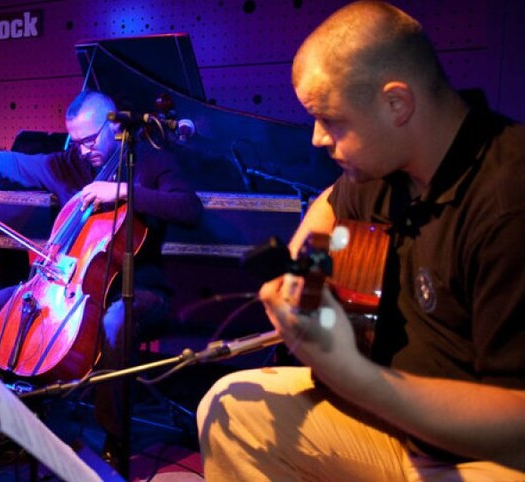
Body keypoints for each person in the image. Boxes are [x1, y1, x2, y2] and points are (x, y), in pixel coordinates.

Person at [196, 2, 525, 480]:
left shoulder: (508, 200)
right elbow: (330, 204)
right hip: (395, 423)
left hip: (488, 459)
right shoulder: (384, 164)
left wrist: (358, 377)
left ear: (396, 104)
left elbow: (518, 425)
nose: (316, 138)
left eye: (329, 119)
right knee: (231, 407)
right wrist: (305, 278)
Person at [0, 90, 203, 467]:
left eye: (89, 140)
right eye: (75, 141)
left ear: (113, 127)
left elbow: (189, 208)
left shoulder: (150, 160)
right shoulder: (72, 163)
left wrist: (124, 191)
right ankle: (9, 428)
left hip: (140, 288)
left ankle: (114, 439)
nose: (82, 150)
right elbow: (17, 163)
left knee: (115, 321)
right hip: (75, 284)